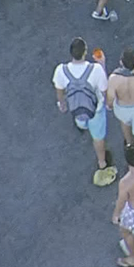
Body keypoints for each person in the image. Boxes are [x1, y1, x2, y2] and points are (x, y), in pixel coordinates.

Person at [53, 37, 117, 185]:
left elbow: (59, 89)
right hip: (95, 110)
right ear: (85, 52)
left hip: (76, 107)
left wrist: (61, 103)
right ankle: (102, 162)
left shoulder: (61, 70)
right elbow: (104, 89)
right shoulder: (95, 70)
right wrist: (102, 65)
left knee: (81, 119)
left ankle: (82, 125)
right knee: (98, 137)